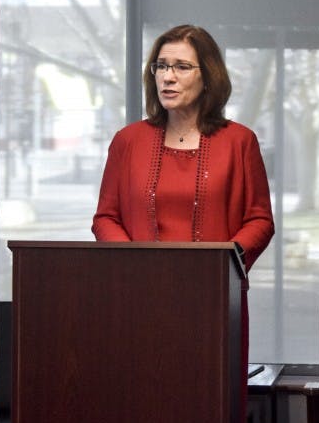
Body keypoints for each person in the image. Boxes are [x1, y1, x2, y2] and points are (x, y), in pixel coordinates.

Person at [91, 22, 275, 380]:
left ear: (208, 77)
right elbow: (105, 218)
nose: (167, 77)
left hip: (214, 301)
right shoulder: (127, 141)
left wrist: (223, 265)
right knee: (143, 403)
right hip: (139, 298)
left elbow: (260, 220)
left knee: (208, 405)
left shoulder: (240, 142)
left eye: (180, 67)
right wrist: (133, 264)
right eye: (160, 66)